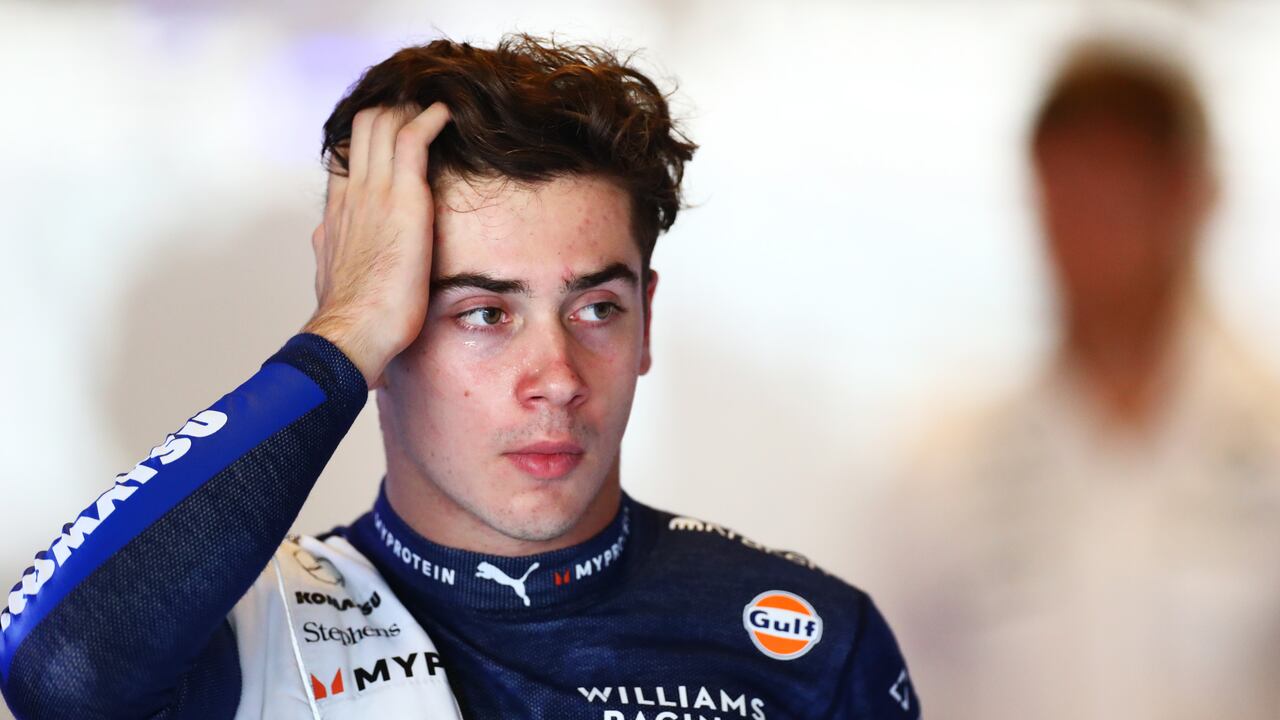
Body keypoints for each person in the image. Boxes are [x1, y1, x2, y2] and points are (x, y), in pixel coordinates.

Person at [0, 35, 918, 720]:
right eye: (482, 313)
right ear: (387, 334)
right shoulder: (250, 636)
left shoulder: (809, 644)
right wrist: (341, 333)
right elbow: (55, 671)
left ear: (647, 321)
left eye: (597, 307)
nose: (555, 376)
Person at [865, 41, 1280, 720]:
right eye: (1069, 186)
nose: (1092, 223)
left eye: (1120, 184)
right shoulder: (943, 470)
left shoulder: (1268, 441)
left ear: (1192, 196)